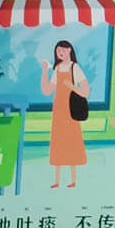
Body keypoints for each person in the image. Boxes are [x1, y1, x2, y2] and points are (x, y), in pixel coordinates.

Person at [38, 40, 90, 189]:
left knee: (72, 140)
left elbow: (86, 91)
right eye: (57, 51)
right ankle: (57, 181)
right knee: (59, 141)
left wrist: (72, 86)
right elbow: (48, 91)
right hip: (59, 110)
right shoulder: (58, 68)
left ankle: (74, 180)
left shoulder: (75, 68)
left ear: (69, 50)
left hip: (71, 109)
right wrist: (45, 71)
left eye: (62, 50)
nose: (59, 53)